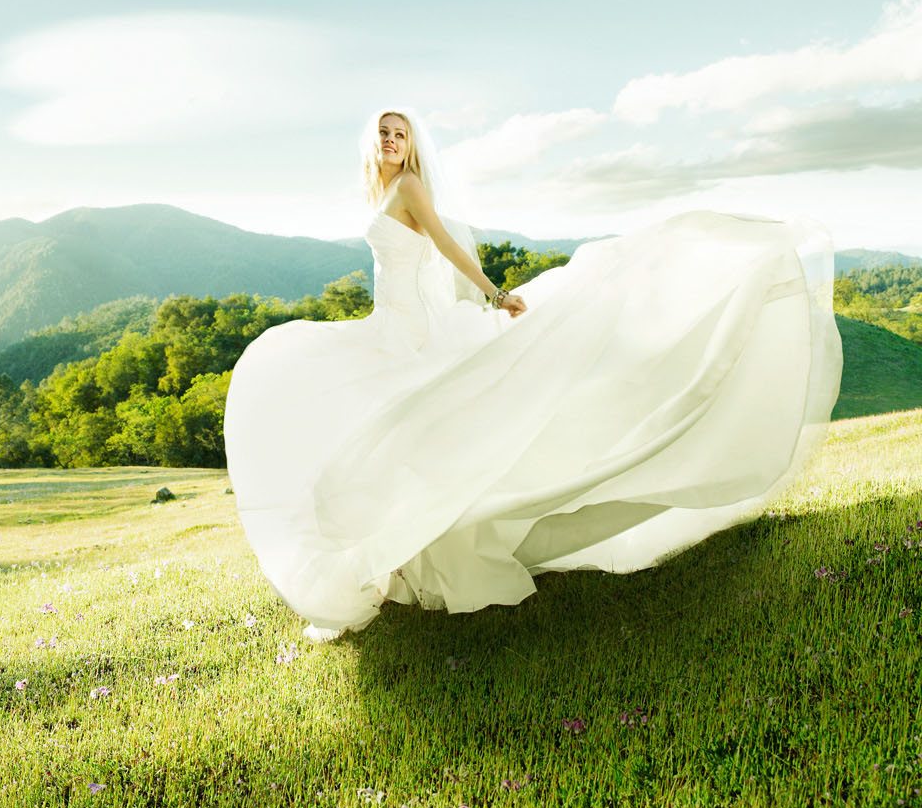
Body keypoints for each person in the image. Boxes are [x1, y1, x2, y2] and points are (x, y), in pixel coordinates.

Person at [223, 108, 842, 642]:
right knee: (400, 440)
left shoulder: (408, 185)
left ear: (411, 147)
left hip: (416, 334)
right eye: (383, 132)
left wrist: (493, 294)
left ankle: (409, 561)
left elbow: (442, 244)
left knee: (409, 438)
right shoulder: (380, 191)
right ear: (371, 142)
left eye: (400, 133)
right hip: (390, 329)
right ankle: (404, 564)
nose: (391, 141)